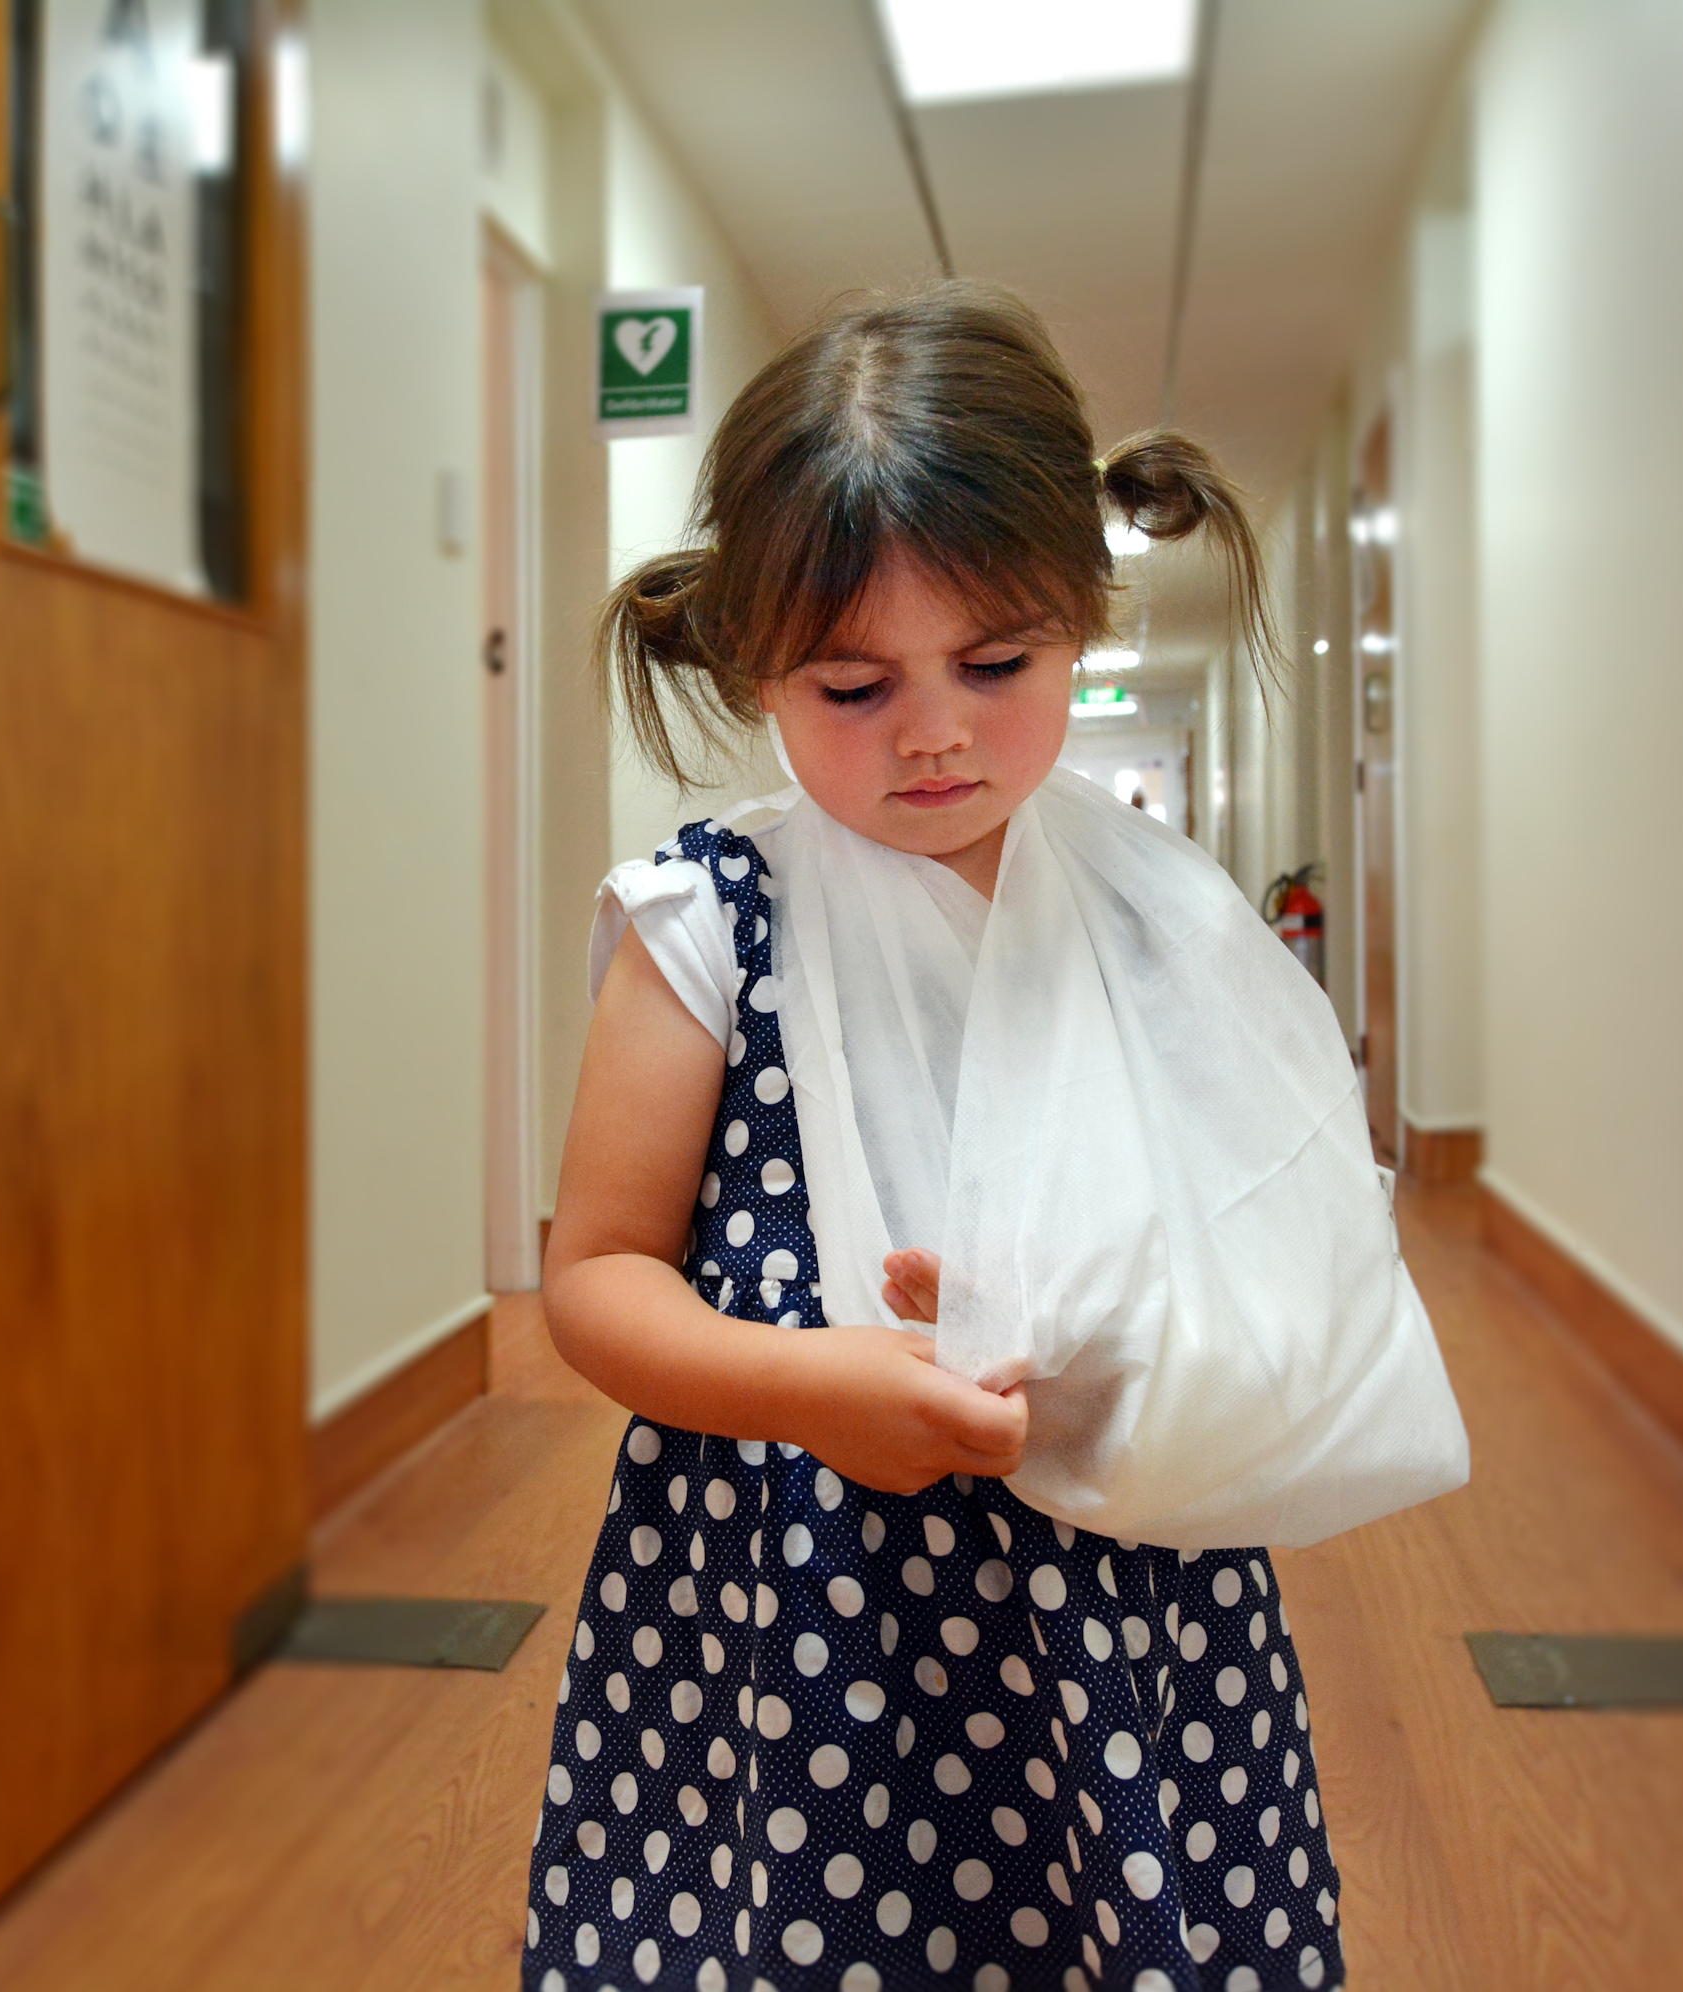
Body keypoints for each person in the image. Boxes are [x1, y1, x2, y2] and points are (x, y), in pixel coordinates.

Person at [523, 284, 1392, 1992]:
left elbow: (1269, 1232)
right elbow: (598, 1276)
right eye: (852, 686)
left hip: (1128, 1582)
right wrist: (814, 1390)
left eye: (996, 667)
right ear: (754, 666)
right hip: (800, 1604)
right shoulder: (708, 927)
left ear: (1083, 619)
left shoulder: (1156, 921)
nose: (934, 732)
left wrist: (1146, 1334)